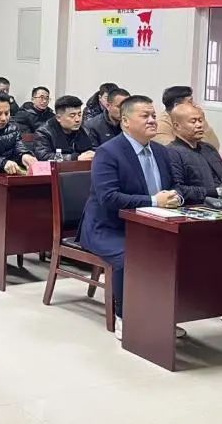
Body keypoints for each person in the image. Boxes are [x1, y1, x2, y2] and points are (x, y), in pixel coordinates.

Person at [79, 95, 186, 340]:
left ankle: (163, 315)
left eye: (153, 116)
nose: (152, 120)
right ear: (125, 121)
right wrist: (153, 201)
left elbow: (177, 186)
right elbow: (109, 198)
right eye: (145, 116)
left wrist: (176, 198)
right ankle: (125, 316)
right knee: (132, 256)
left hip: (152, 225)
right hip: (108, 228)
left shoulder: (161, 151)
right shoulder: (108, 152)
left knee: (180, 253)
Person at [166, 103, 222, 202]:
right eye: (193, 121)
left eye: (200, 120)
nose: (199, 125)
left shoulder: (209, 149)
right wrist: (216, 192)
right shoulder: (172, 152)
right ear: (177, 126)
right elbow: (178, 189)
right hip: (196, 205)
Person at [32, 95, 96, 161]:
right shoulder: (44, 132)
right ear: (58, 118)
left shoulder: (84, 129)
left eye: (79, 115)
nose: (77, 119)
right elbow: (44, 156)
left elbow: (92, 148)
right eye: (72, 116)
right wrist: (74, 158)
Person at [154, 85, 220, 149]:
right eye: (190, 102)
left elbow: (214, 146)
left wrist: (202, 120)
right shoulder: (160, 125)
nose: (195, 105)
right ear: (177, 106)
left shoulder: (193, 120)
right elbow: (170, 152)